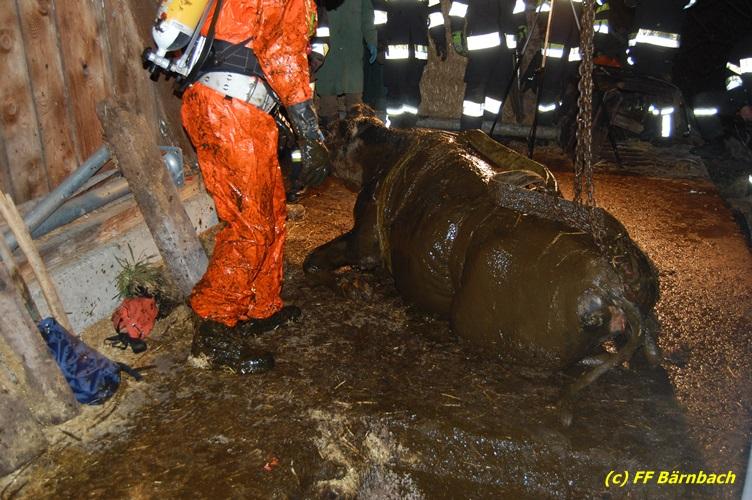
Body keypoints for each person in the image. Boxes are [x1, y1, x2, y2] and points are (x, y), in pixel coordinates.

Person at [180, 0, 330, 372]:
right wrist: (309, 132)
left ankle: (259, 306)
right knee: (251, 224)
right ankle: (213, 327)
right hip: (231, 109)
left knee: (271, 213)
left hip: (234, 105)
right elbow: (281, 51)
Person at [444, 0, 526, 130]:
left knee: (497, 94)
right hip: (481, 47)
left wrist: (521, 24)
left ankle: (490, 131)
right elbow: (458, 8)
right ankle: (469, 133)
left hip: (506, 48)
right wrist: (457, 32)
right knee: (475, 95)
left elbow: (518, 6)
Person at [315, 0, 377, 127]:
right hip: (327, 54)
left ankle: (354, 135)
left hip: (351, 54)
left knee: (355, 105)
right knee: (328, 105)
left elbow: (367, 14)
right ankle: (331, 133)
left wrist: (371, 39)